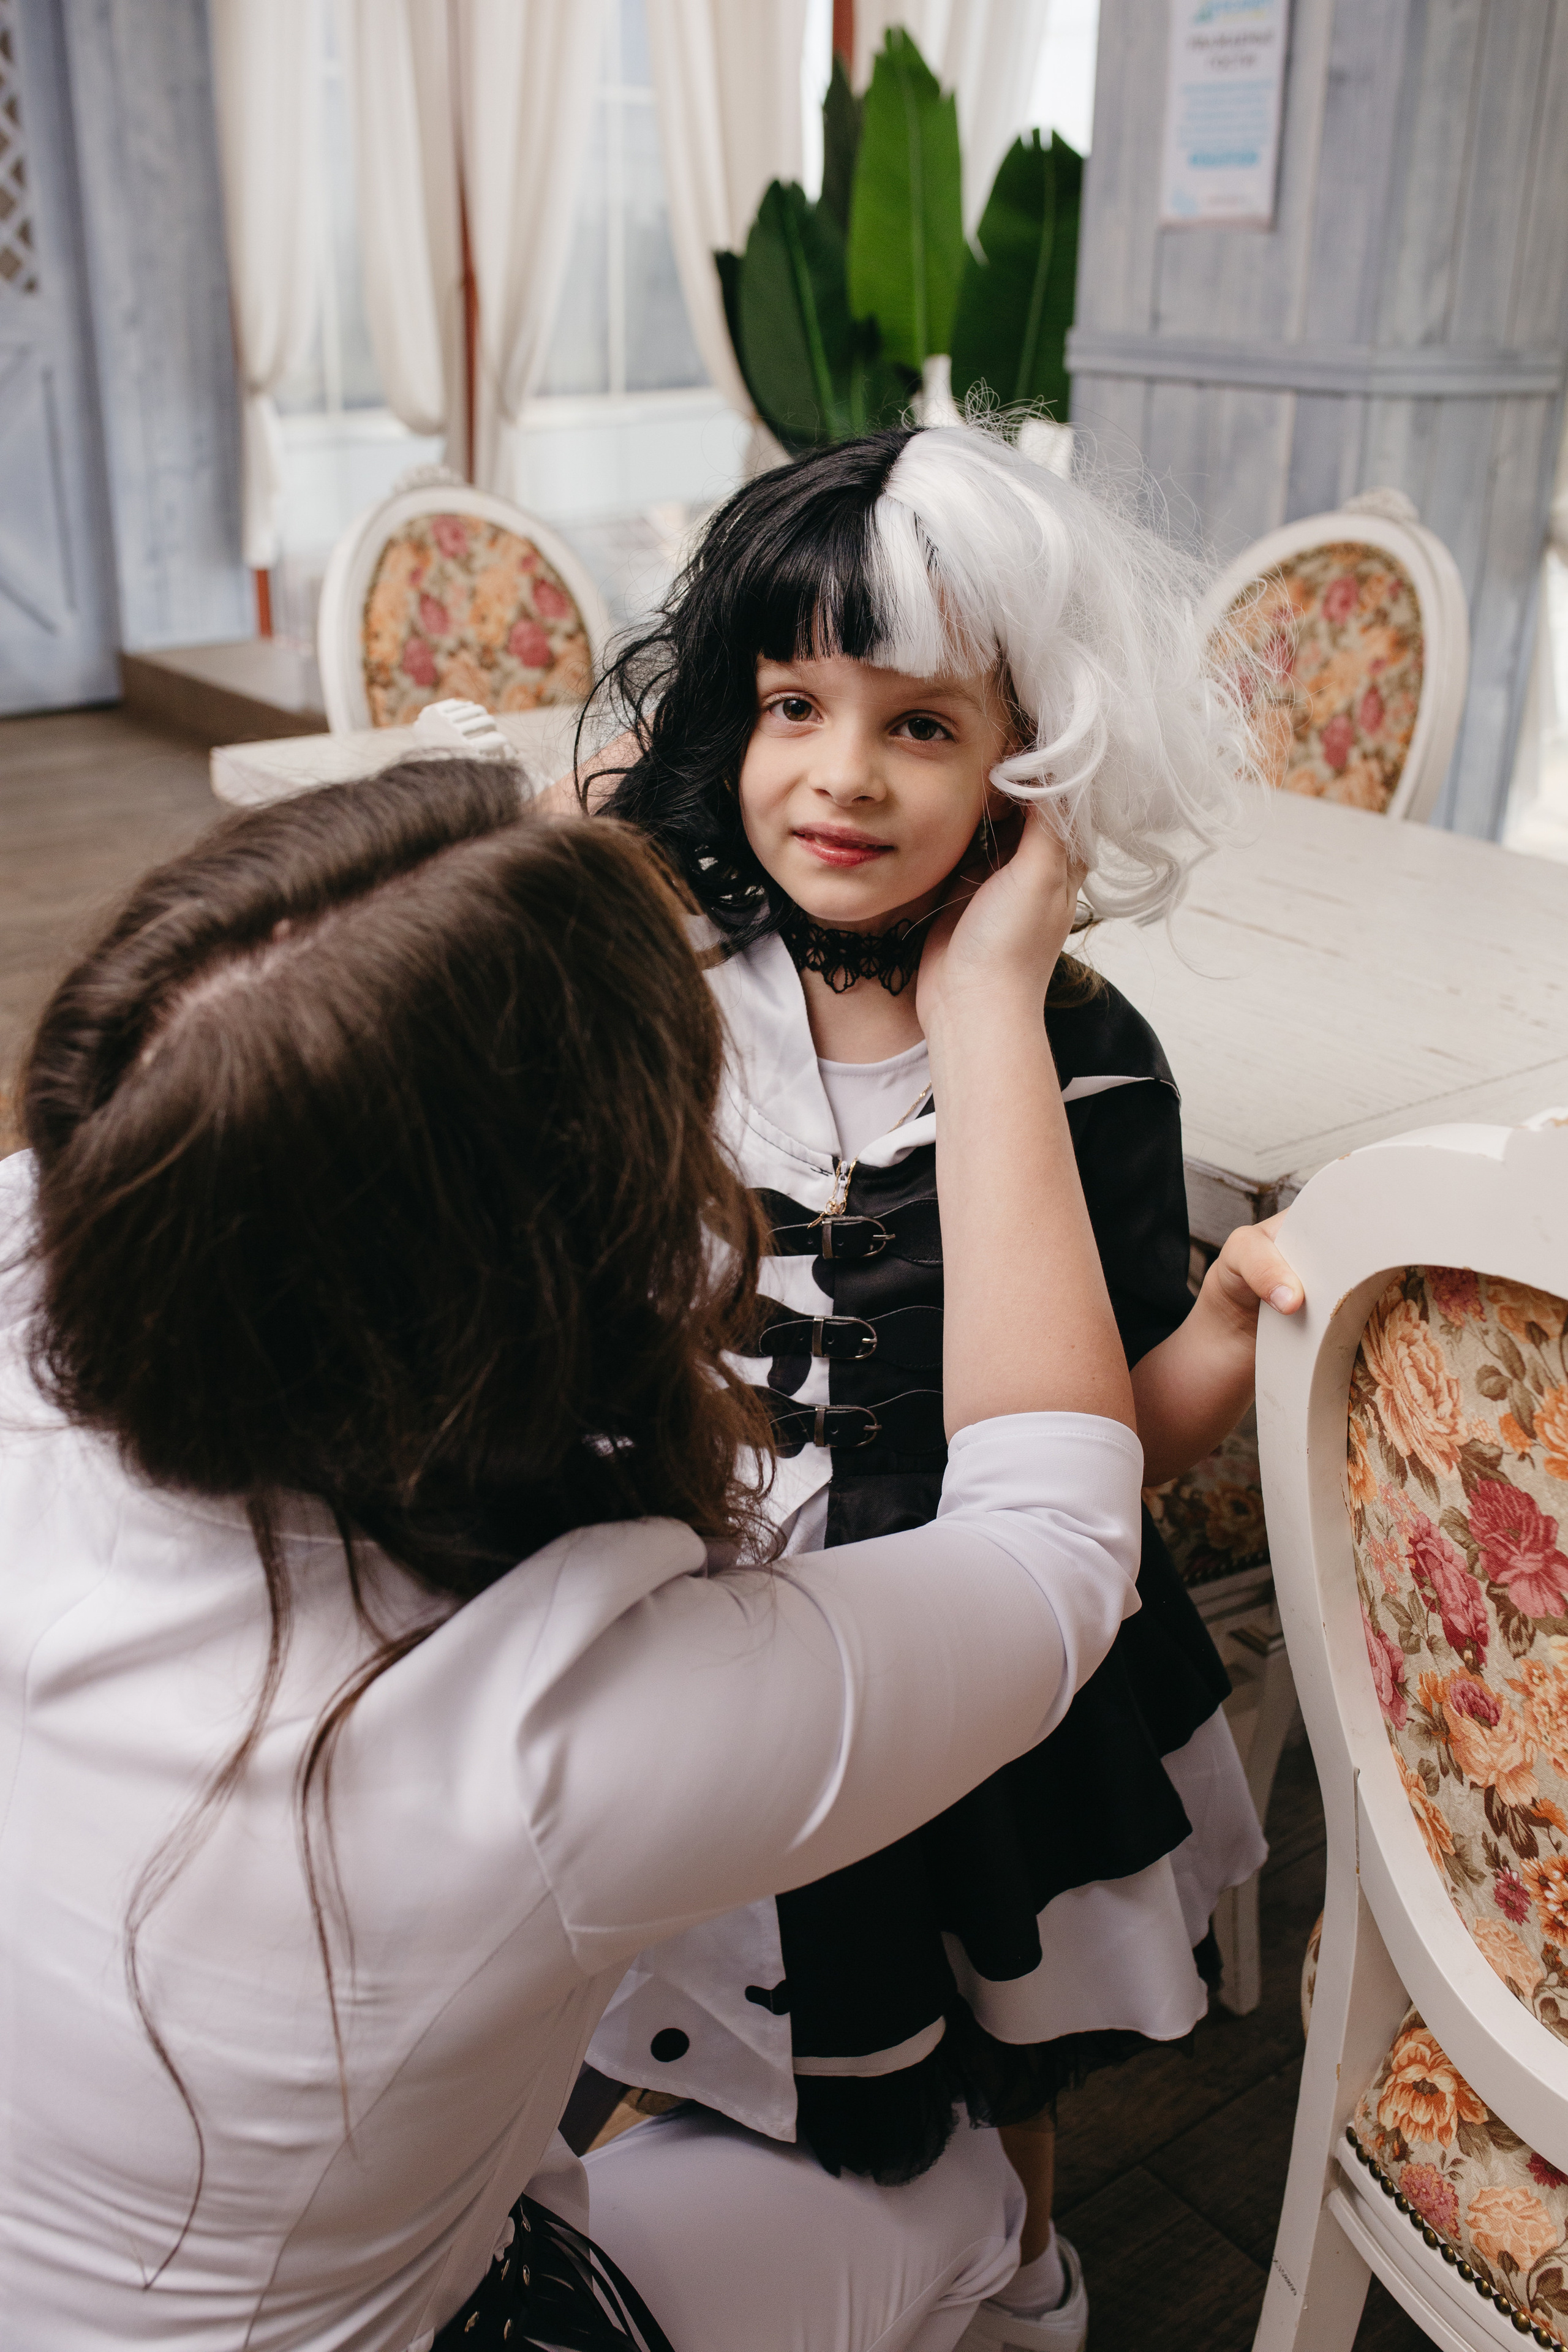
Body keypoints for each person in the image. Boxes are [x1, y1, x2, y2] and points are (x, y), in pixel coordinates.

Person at [0, 757, 1167, 2351]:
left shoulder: (52, 1269)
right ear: (578, 1259)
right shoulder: (549, 1729)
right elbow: (1054, 1548)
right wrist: (987, 1010)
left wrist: (520, 864)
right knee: (954, 2183)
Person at [576, 423, 1300, 2350]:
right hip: (690, 1637)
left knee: (990, 2071)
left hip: (971, 1685)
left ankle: (1020, 2293)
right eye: (792, 700)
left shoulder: (1081, 1055)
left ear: (1028, 762)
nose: (836, 772)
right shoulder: (662, 990)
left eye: (920, 725)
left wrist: (1218, 1325)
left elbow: (1097, 1444)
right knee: (699, 2017)